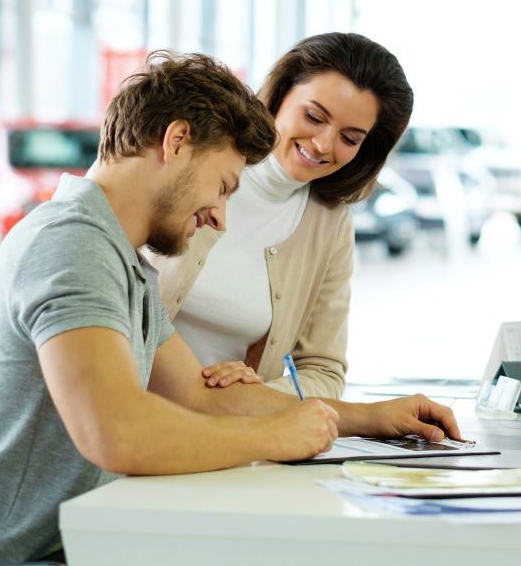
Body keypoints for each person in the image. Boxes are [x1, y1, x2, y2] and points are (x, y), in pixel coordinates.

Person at [0, 51, 460, 566]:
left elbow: (194, 394)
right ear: (177, 141)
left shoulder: (125, 263)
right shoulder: (71, 245)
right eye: (221, 186)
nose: (219, 217)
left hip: (67, 556)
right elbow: (118, 435)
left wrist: (362, 417)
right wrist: (278, 436)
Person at [148, 32, 413, 399]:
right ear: (280, 94)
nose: (323, 144)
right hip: (129, 419)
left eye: (350, 139)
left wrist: (254, 394)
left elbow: (323, 370)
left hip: (223, 438)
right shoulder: (187, 154)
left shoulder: (329, 225)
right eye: (314, 116)